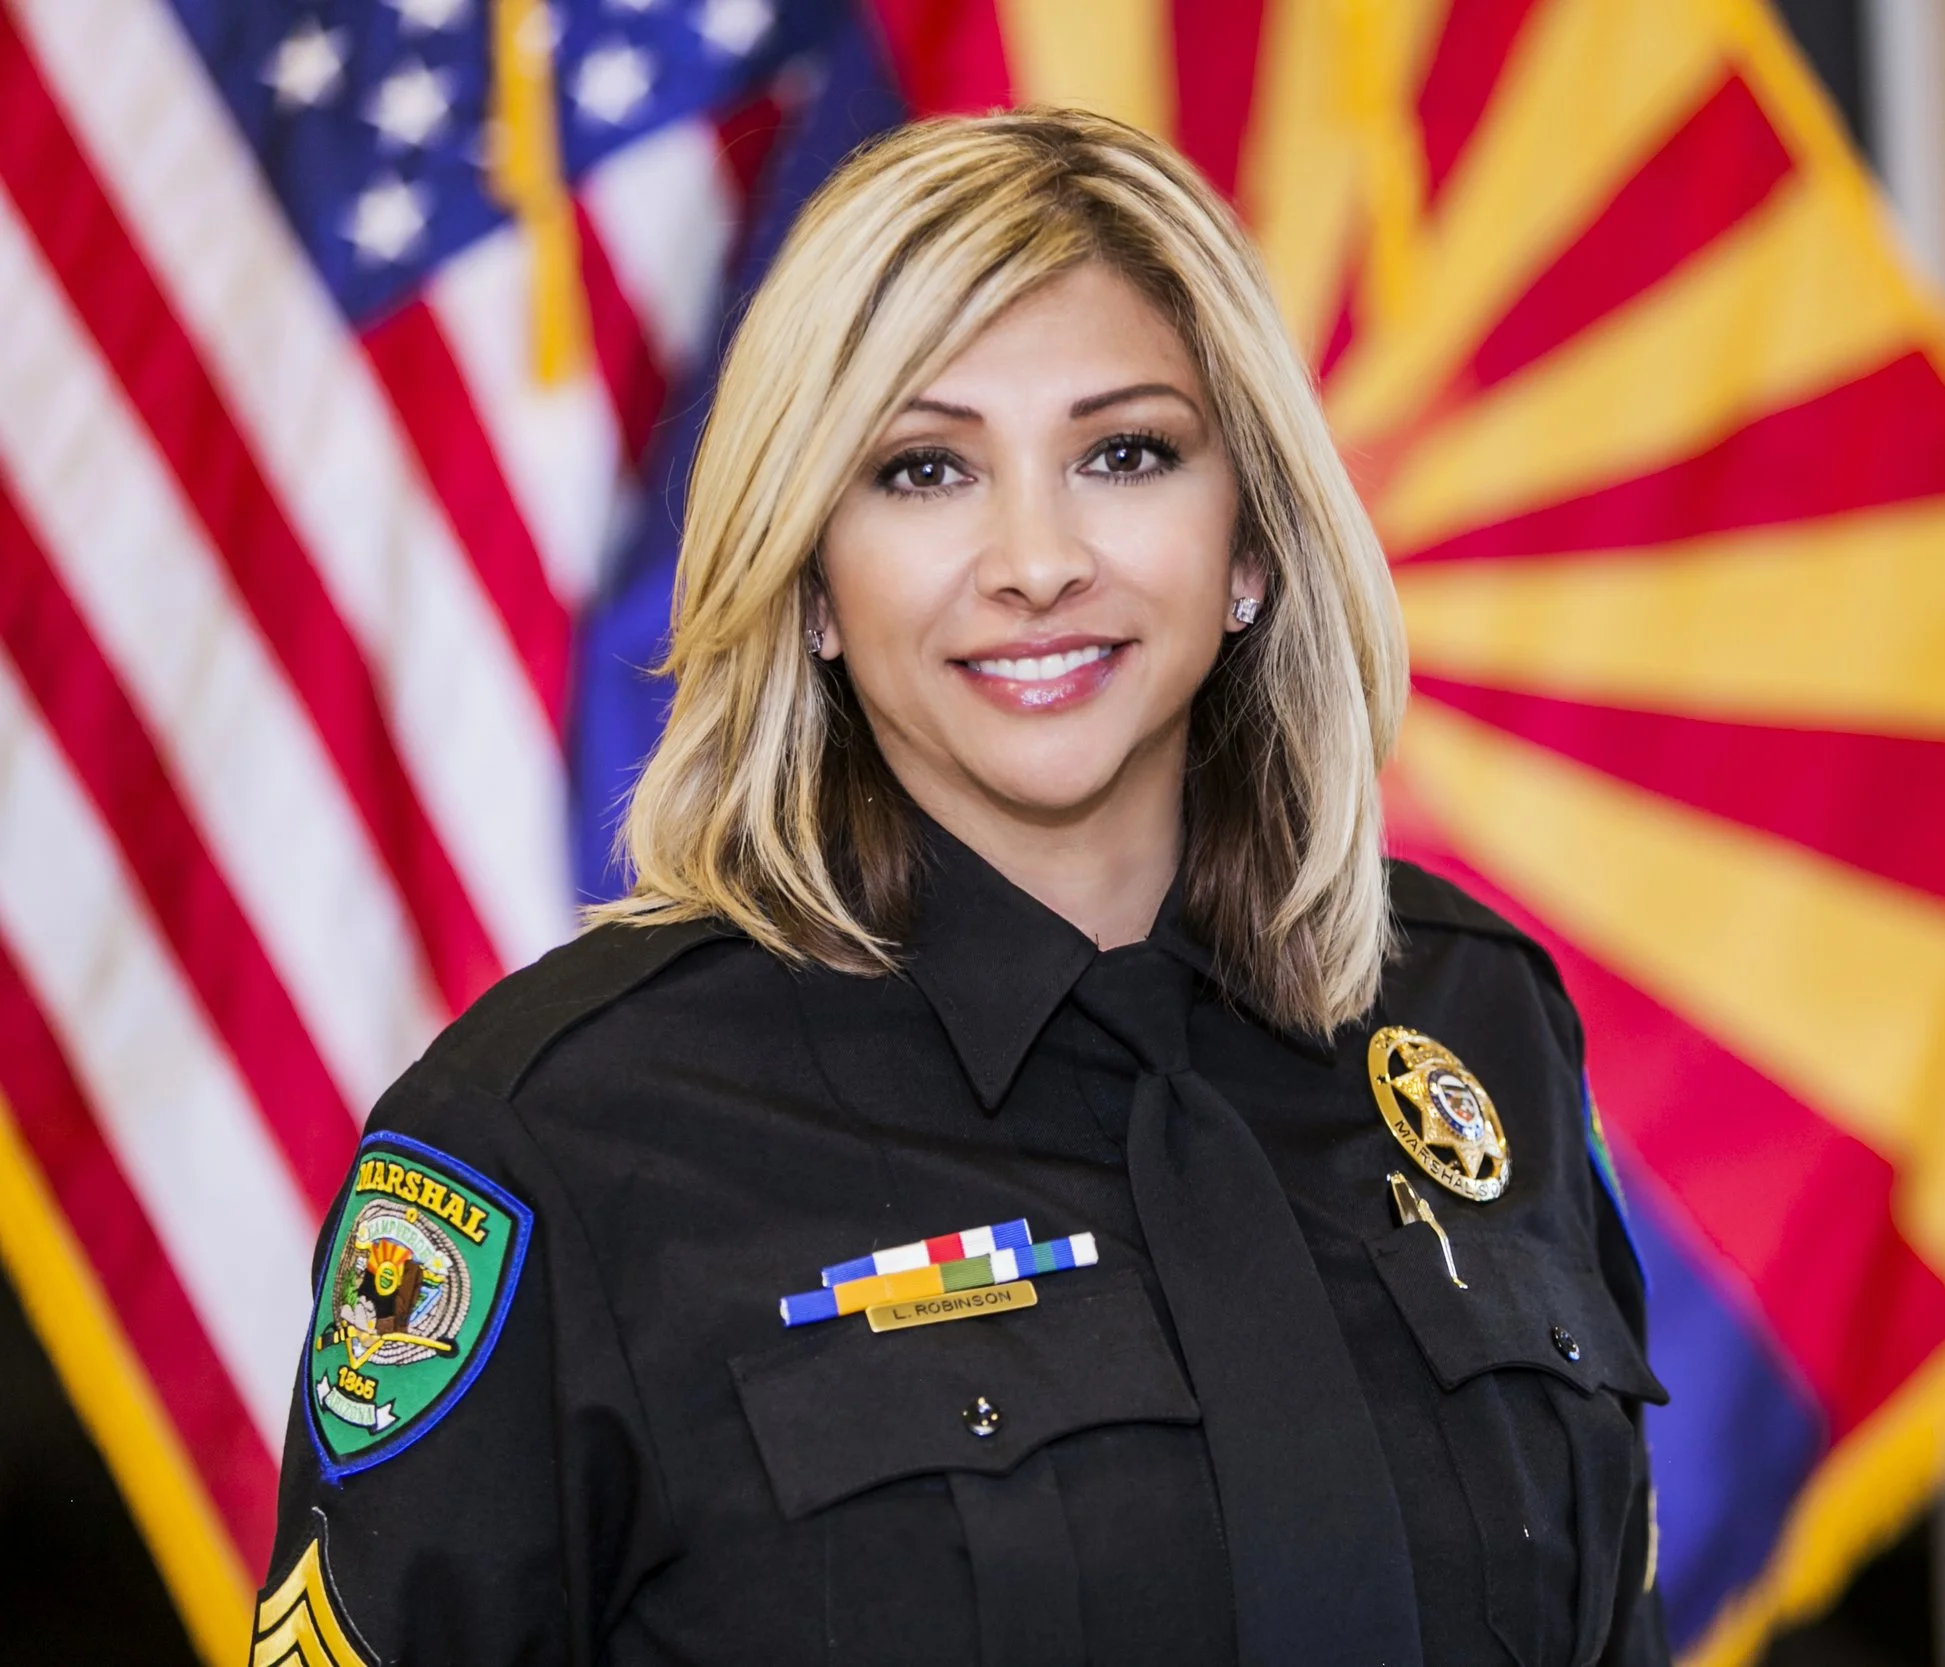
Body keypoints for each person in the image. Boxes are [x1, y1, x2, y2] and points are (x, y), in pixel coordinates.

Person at [253, 107, 1671, 1667]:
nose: (1037, 557)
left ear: (1250, 539)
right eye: (925, 469)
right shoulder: (546, 1143)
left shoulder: (1476, 1021)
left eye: (1125, 452)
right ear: (810, 584)